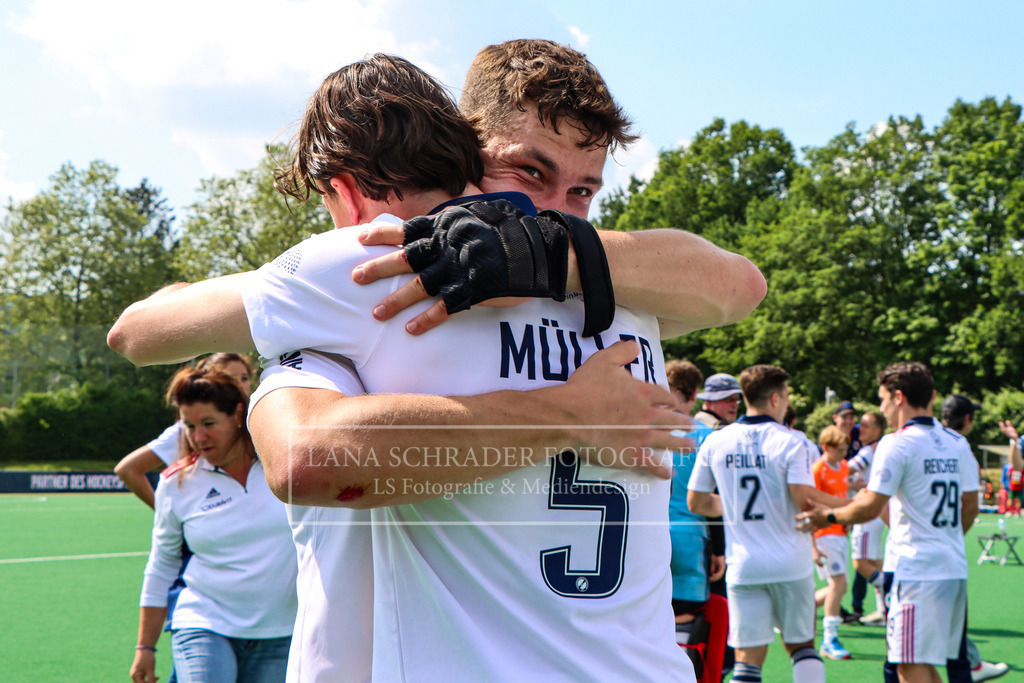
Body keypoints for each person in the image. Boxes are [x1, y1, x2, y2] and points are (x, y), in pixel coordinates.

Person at [105, 43, 768, 680]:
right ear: (466, 149)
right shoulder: (626, 294)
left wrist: (550, 254)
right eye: (532, 174)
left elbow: (137, 332)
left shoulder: (372, 265)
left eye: (583, 193)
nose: (556, 212)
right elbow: (736, 284)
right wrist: (567, 408)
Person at [798, 362, 980, 683]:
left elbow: (869, 506)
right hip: (953, 567)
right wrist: (944, 537)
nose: (881, 407)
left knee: (907, 664)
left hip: (916, 569)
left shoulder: (896, 442)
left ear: (898, 397)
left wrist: (824, 516)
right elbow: (970, 506)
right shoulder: (957, 442)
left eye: (882, 399)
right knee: (930, 663)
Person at [130, 368, 296, 683]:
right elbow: (162, 565)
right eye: (189, 426)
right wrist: (145, 647)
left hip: (283, 629)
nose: (198, 437)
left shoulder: (285, 468)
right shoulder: (175, 483)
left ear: (237, 415)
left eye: (208, 424)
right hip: (203, 621)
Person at [688, 365, 840, 683]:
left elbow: (698, 503)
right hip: (791, 564)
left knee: (746, 662)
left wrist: (732, 506)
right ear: (774, 398)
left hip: (744, 566)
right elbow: (804, 500)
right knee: (802, 648)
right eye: (785, 397)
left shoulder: (717, 440)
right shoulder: (792, 441)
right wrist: (853, 505)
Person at [115, 354, 255, 508]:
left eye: (244, 378)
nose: (240, 385)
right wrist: (165, 511)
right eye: (230, 377)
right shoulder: (185, 431)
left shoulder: (262, 419)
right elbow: (128, 469)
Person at [665, 359, 727, 682]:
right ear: (692, 396)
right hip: (691, 539)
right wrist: (719, 549)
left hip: (644, 539)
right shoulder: (706, 436)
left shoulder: (640, 429)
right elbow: (709, 498)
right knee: (688, 626)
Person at [941, 395, 1010, 683]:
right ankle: (972, 662)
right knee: (948, 623)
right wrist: (951, 536)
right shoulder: (959, 448)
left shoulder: (914, 441)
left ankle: (972, 660)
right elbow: (969, 506)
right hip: (941, 550)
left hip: (910, 547)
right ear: (967, 419)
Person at [811, 425, 853, 660]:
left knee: (840, 586)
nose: (843, 454)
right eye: (839, 450)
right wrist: (812, 547)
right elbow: (808, 505)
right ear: (826, 447)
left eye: (845, 449)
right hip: (824, 533)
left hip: (840, 534)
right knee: (838, 584)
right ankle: (829, 639)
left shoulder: (844, 467)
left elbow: (843, 493)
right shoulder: (817, 469)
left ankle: (798, 610)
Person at [846, 410, 888, 626]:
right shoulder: (879, 449)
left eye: (865, 425)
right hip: (878, 512)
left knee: (860, 562)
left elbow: (844, 470)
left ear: (877, 430)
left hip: (866, 512)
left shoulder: (869, 451)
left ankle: (890, 598)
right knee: (875, 562)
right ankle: (883, 610)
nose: (859, 429)